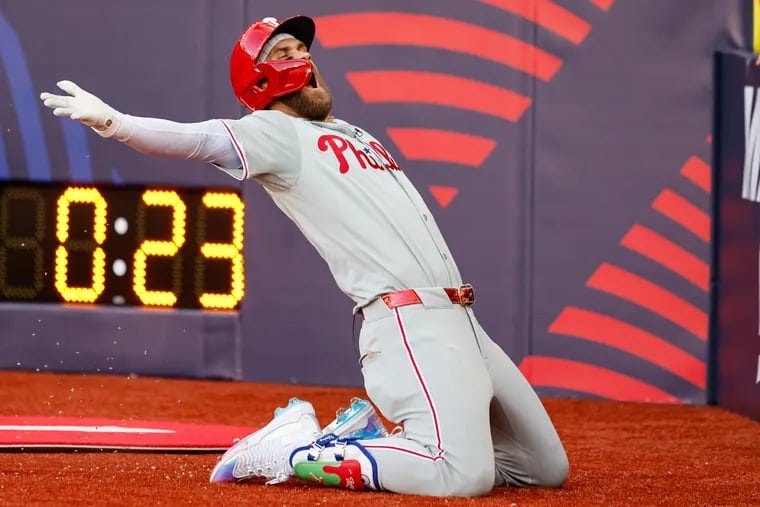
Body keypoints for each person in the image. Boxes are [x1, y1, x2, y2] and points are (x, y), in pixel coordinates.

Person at [40, 14, 568, 498]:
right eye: (283, 50)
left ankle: (381, 449)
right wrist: (113, 122)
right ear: (259, 79)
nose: (302, 58)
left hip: (463, 321)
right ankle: (294, 451)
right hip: (408, 322)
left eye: (302, 49)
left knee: (543, 468)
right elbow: (193, 140)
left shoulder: (353, 132)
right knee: (462, 475)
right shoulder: (275, 133)